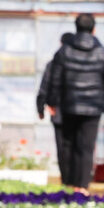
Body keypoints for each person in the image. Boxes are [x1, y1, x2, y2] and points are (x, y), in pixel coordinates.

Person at [46, 14, 104, 195]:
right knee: (86, 146)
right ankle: (82, 187)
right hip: (93, 107)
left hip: (69, 104)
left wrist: (52, 102)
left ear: (76, 28)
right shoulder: (103, 52)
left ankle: (69, 184)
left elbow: (55, 79)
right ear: (94, 29)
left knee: (69, 144)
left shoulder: (64, 51)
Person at [38, 33, 75, 186]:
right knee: (76, 146)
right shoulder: (78, 62)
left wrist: (41, 107)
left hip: (58, 111)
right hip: (76, 111)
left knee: (62, 147)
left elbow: (45, 86)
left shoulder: (53, 63)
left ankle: (66, 180)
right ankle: (75, 180)